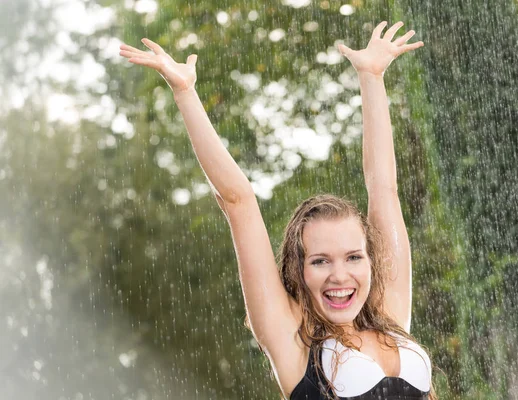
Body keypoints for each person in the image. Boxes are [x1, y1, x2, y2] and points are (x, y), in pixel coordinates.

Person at [119, 20, 435, 400]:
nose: (340, 276)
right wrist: (185, 93)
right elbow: (239, 201)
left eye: (353, 256)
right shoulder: (292, 341)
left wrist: (371, 77)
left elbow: (383, 188)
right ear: (297, 270)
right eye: (320, 261)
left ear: (370, 261)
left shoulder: (389, 314)